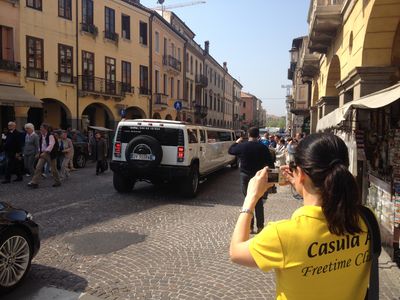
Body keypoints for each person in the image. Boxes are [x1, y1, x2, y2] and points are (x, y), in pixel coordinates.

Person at [230, 133, 373, 300]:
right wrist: (302, 184)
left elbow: (236, 252)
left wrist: (250, 198)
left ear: (301, 173)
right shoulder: (367, 220)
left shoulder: (282, 235)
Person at [228, 127, 275, 234]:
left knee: (248, 200)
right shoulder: (263, 147)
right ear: (258, 135)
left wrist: (236, 142)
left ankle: (250, 227)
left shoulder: (242, 146)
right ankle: (260, 227)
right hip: (258, 177)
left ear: (248, 134)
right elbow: (270, 164)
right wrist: (272, 182)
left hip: (245, 176)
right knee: (258, 201)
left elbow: (230, 150)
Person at [28, 123, 61, 188]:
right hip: (43, 153)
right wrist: (39, 152)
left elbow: (51, 145)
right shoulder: (41, 136)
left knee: (53, 169)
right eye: (40, 128)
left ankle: (58, 181)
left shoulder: (50, 136)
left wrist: (45, 152)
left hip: (50, 154)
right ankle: (35, 182)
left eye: (41, 128)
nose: (40, 129)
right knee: (38, 167)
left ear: (45, 129)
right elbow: (41, 145)